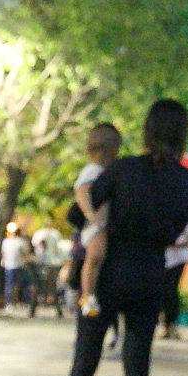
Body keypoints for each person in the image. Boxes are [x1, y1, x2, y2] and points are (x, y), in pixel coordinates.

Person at [40, 100, 188, 376]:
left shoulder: (124, 168)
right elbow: (174, 231)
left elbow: (78, 214)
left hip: (107, 273)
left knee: (84, 365)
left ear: (147, 131)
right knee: (137, 370)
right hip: (150, 276)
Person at [73, 121, 122, 316]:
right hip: (95, 224)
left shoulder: (100, 171)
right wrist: (90, 214)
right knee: (95, 255)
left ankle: (89, 293)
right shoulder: (92, 171)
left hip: (99, 222)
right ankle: (87, 295)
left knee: (97, 256)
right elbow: (82, 191)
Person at [160, 201, 188, 340]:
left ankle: (172, 326)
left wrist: (176, 245)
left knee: (171, 291)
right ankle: (166, 326)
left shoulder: (184, 218)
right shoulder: (162, 216)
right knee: (164, 292)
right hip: (164, 258)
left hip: (177, 259)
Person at [0, 224, 30, 314]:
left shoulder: (6, 241)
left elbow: (3, 253)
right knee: (20, 285)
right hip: (19, 265)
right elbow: (25, 254)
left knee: (9, 285)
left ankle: (9, 303)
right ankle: (20, 302)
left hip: (8, 265)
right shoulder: (22, 242)